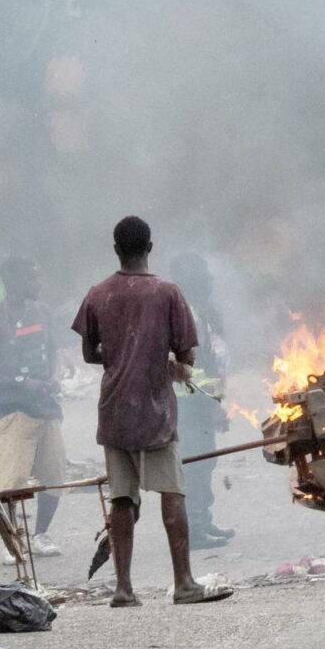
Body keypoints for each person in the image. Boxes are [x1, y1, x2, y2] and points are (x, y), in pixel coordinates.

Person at [71, 216, 231, 608]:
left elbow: (90, 353)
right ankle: (183, 583)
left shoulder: (97, 294)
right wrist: (161, 360)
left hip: (114, 410)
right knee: (172, 492)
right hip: (155, 409)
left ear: (115, 249)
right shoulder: (168, 293)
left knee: (122, 499)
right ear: (150, 247)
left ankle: (124, 589)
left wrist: (121, 356)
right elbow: (188, 355)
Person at [0, 256, 68, 557]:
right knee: (12, 480)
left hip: (47, 406)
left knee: (54, 474)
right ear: (13, 282)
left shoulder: (43, 313)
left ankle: (40, 535)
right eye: (32, 278)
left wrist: (53, 377)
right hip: (14, 409)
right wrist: (18, 382)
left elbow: (53, 352)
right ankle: (11, 540)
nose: (37, 284)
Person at [169, 251, 234, 551]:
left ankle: (202, 521)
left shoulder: (201, 311)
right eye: (202, 276)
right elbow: (195, 366)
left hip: (201, 402)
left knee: (205, 462)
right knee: (194, 465)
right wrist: (211, 403)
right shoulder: (184, 314)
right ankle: (194, 530)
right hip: (189, 404)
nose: (208, 281)